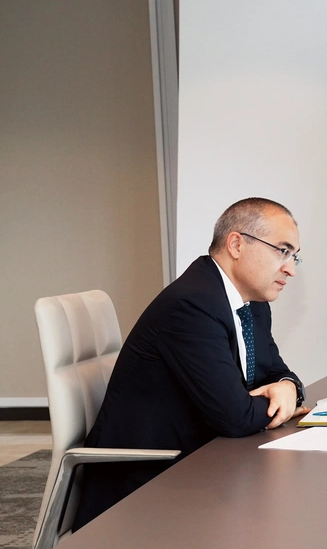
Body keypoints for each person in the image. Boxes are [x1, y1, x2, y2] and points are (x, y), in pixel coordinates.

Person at [73, 197, 308, 530]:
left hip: (198, 463)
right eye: (282, 251)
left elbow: (275, 374)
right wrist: (282, 402)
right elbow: (236, 416)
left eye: (294, 256)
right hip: (143, 487)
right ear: (237, 244)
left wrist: (287, 387)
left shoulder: (253, 304)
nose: (291, 269)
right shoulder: (191, 304)